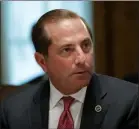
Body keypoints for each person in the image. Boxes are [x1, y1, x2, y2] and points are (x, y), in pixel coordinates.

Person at [0, 9, 138, 129]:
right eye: (67, 50)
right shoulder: (14, 110)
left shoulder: (128, 102)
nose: (82, 59)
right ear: (42, 62)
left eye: (86, 45)